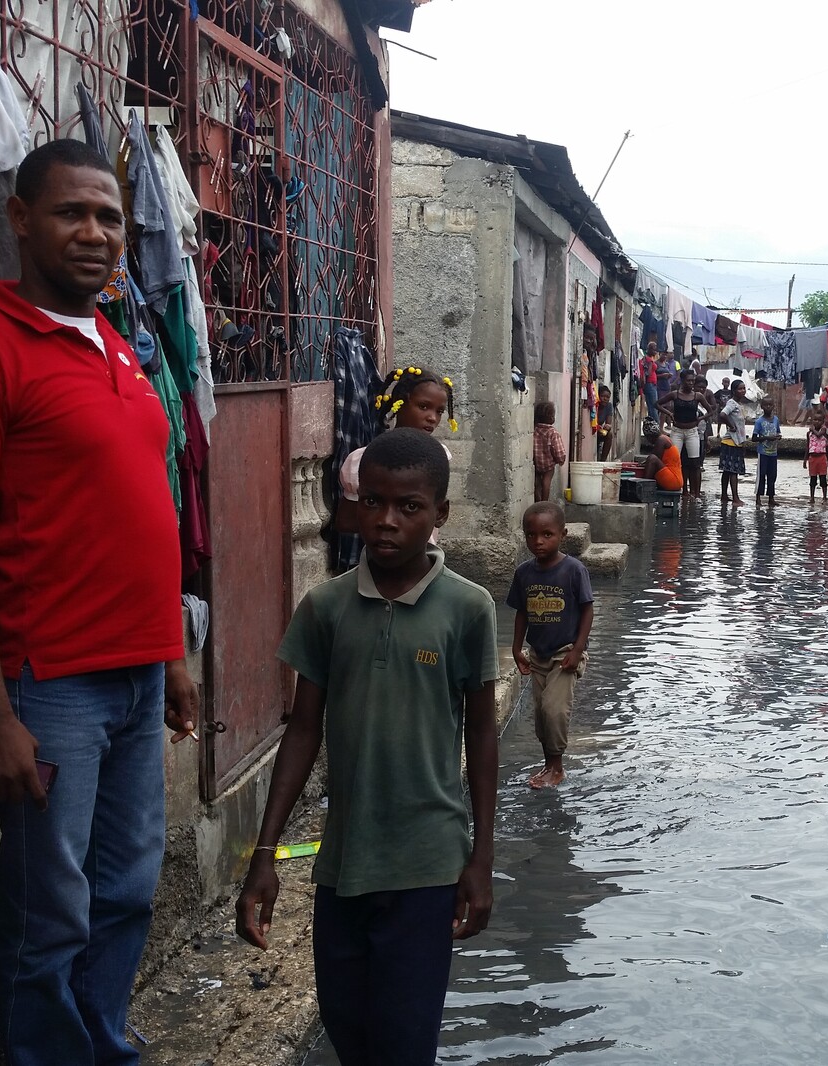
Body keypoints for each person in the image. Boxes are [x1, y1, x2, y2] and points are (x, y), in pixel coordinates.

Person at [0, 139, 199, 1066]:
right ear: (20, 220)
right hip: (50, 685)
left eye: (111, 217)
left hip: (136, 674)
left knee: (127, 888)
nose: (95, 233)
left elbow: (144, 511)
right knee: (52, 908)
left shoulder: (122, 349)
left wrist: (172, 652)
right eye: (72, 213)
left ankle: (103, 1043)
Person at [236, 429, 499, 1063]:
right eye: (373, 503)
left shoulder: (468, 609)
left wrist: (482, 859)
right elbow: (303, 729)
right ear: (353, 507)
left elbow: (482, 733)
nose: (386, 521)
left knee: (404, 1045)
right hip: (344, 867)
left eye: (409, 507)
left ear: (439, 515)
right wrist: (264, 856)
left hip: (427, 866)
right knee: (349, 1033)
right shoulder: (326, 608)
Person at [508, 502, 595, 790]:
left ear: (563, 534)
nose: (538, 542)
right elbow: (522, 611)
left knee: (555, 710)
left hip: (565, 652)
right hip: (538, 654)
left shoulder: (573, 570)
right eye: (531, 535)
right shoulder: (524, 573)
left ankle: (557, 768)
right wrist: (516, 648)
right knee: (542, 715)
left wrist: (577, 649)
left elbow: (587, 609)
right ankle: (549, 764)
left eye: (547, 535)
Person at [334, 364, 456, 537]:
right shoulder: (365, 460)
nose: (432, 418)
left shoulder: (438, 456)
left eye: (440, 411)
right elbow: (345, 521)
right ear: (399, 402)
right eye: (423, 407)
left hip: (422, 559)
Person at [658, 368, 713, 497]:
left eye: (692, 381)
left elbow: (710, 410)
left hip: (692, 431)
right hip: (677, 430)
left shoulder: (697, 396)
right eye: (688, 381)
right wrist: (669, 414)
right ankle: (681, 490)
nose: (691, 383)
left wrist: (700, 418)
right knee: (676, 460)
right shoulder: (674, 395)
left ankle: (696, 492)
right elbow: (658, 404)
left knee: (695, 463)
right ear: (682, 381)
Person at [717, 378, 750, 506]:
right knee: (733, 471)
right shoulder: (732, 403)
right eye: (740, 388)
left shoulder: (739, 405)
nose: (742, 391)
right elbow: (723, 414)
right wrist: (731, 426)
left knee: (727, 471)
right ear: (734, 391)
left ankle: (724, 496)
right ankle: (735, 498)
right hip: (731, 442)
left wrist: (743, 443)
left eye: (744, 388)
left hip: (736, 441)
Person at [533, 400, 566, 503]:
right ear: (551, 417)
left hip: (536, 462)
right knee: (546, 483)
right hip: (548, 465)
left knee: (537, 484)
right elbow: (559, 451)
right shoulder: (553, 433)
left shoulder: (534, 430)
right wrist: (560, 460)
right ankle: (544, 502)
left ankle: (537, 502)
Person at [753, 398, 783, 505]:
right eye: (766, 405)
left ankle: (771, 498)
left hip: (773, 453)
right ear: (762, 407)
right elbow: (754, 438)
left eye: (770, 405)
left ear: (773, 406)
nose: (768, 407)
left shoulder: (776, 420)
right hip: (763, 453)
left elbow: (778, 432)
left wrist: (778, 437)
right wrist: (766, 438)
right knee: (761, 475)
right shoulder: (759, 422)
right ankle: (758, 498)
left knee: (772, 476)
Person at [641, 420, 684, 493]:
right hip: (677, 480)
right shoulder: (665, 438)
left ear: (650, 437)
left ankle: (644, 488)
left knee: (652, 458)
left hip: (673, 480)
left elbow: (653, 460)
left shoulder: (661, 440)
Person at [805, 406, 828, 507]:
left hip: (822, 457)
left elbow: (819, 435)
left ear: (823, 421)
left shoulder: (823, 430)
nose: (817, 422)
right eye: (815, 420)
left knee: (823, 479)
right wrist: (805, 460)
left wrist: (812, 430)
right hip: (812, 458)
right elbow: (808, 447)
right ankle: (812, 497)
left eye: (819, 420)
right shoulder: (809, 434)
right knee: (812, 480)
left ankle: (824, 497)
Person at [637, 341, 662, 427]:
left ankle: (653, 426)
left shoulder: (646, 359)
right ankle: (657, 426)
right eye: (654, 350)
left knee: (651, 407)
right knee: (654, 406)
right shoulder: (649, 360)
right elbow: (648, 373)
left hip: (649, 385)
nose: (656, 352)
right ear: (650, 349)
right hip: (650, 384)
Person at [595, 384, 616, 462]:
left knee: (609, 434)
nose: (605, 399)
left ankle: (603, 461)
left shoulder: (609, 406)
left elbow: (608, 423)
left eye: (607, 397)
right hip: (592, 430)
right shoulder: (595, 404)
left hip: (599, 430)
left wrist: (607, 426)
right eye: (603, 396)